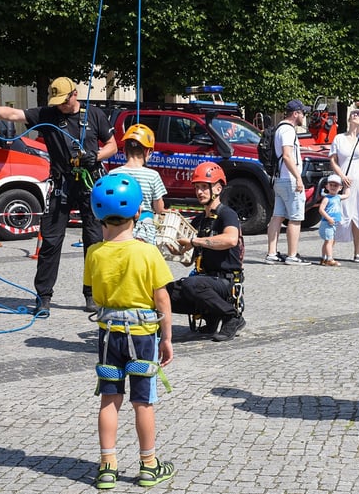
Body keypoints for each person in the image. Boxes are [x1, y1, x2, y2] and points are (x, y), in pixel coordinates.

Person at [0, 77, 117, 314]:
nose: (60, 107)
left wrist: (95, 156)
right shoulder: (48, 114)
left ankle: (92, 294)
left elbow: (113, 145)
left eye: (63, 102)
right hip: (61, 184)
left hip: (89, 184)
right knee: (51, 241)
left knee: (94, 241)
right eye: (57, 102)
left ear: (74, 94)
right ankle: (43, 297)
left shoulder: (94, 115)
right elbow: (14, 115)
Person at [83, 173, 175, 489]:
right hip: (142, 337)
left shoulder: (94, 253)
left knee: (109, 399)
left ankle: (107, 466)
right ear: (138, 212)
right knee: (143, 401)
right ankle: (149, 465)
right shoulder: (148, 253)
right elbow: (161, 298)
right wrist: (167, 337)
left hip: (109, 337)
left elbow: (94, 294)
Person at [166, 162, 246, 342]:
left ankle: (232, 316)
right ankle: (211, 318)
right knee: (163, 292)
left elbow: (231, 239)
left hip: (226, 282)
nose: (199, 192)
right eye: (197, 187)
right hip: (205, 280)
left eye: (204, 187)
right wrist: (176, 250)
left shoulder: (228, 214)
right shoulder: (200, 220)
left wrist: (195, 241)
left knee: (192, 284)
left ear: (217, 188)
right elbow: (188, 261)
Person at [328, 103, 359, 261]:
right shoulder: (339, 138)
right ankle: (328, 251)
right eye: (353, 114)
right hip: (345, 182)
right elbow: (333, 160)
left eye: (358, 115)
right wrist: (341, 176)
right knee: (339, 214)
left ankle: (357, 252)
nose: (355, 115)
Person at [265, 99, 311, 266]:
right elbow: (286, 155)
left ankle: (271, 253)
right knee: (295, 217)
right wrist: (298, 177)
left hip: (279, 179)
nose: (304, 116)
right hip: (289, 179)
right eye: (302, 113)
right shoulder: (288, 130)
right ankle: (292, 255)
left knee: (277, 216)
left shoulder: (279, 129)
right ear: (295, 113)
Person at [109, 124, 167, 243]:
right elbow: (159, 208)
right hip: (145, 230)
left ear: (125, 150)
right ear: (148, 151)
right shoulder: (153, 175)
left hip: (118, 229)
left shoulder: (113, 174)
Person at [318, 174, 350, 266]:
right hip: (327, 223)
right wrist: (328, 218)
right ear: (327, 186)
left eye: (335, 185)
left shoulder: (338, 197)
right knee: (329, 241)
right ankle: (329, 259)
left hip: (334, 223)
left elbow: (347, 195)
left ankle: (324, 258)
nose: (333, 187)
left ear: (340, 188)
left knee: (329, 241)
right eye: (331, 185)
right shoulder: (327, 198)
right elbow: (321, 210)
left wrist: (347, 185)